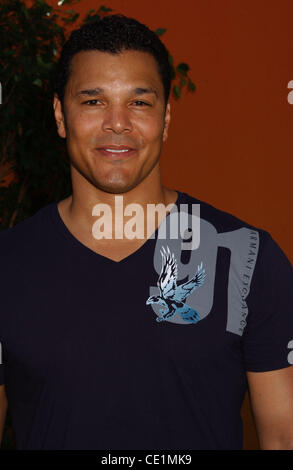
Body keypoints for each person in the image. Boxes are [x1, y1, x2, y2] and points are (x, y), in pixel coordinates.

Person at [0, 14, 293, 451]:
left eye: (139, 102)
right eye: (93, 101)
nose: (118, 123)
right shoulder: (7, 265)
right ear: (60, 116)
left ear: (167, 118)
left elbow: (284, 434)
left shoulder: (248, 258)